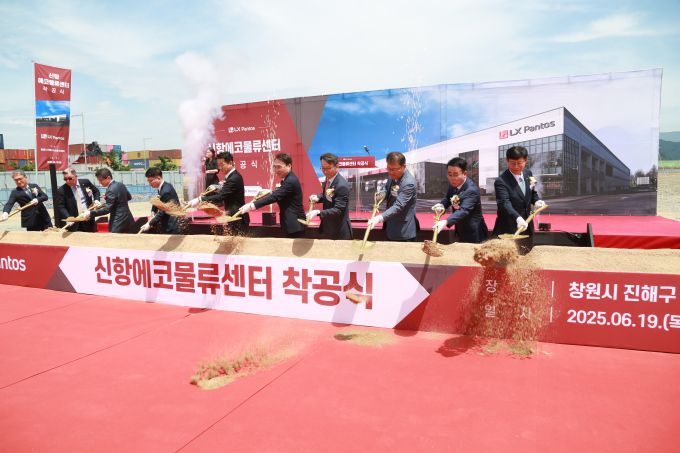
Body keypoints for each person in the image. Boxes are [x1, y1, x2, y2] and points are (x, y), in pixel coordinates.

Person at [238, 153, 306, 238]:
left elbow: (275, 197)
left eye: (279, 167)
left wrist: (251, 206)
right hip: (290, 223)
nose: (276, 170)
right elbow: (282, 193)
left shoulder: (290, 180)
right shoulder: (287, 179)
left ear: (289, 166)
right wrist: (270, 192)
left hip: (295, 225)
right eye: (275, 167)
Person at [187, 151, 249, 235]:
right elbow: (228, 191)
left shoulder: (233, 178)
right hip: (233, 216)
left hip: (238, 218)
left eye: (222, 165)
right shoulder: (231, 176)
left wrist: (200, 199)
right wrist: (219, 188)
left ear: (230, 163)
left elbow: (220, 197)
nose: (220, 167)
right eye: (218, 165)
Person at [432, 157, 488, 243]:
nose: (452, 178)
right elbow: (448, 198)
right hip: (461, 229)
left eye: (455, 174)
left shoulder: (471, 190)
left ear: (464, 173)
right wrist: (442, 205)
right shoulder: (453, 184)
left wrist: (446, 221)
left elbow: (464, 210)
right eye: (449, 174)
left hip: (474, 232)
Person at [492, 146, 545, 236]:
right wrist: (518, 218)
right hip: (509, 227)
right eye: (512, 163)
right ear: (507, 161)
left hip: (527, 225)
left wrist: (536, 200)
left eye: (519, 163)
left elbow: (532, 192)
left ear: (526, 160)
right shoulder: (501, 181)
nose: (516, 167)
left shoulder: (528, 173)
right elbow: (504, 203)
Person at [367, 151, 418, 241]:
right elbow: (387, 189)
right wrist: (382, 194)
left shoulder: (408, 183)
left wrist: (380, 218)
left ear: (403, 166)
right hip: (390, 226)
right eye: (389, 169)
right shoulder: (393, 176)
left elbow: (399, 206)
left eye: (394, 169)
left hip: (403, 231)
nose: (390, 172)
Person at [306, 153, 352, 240]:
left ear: (337, 166)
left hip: (338, 230)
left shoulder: (341, 185)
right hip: (327, 227)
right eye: (323, 168)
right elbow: (327, 195)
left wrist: (318, 212)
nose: (325, 171)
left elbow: (338, 210)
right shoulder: (328, 178)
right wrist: (318, 197)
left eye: (328, 168)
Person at [85, 168, 135, 233]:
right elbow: (129, 197)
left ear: (108, 178)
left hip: (117, 221)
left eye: (101, 180)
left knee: (114, 239)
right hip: (128, 219)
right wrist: (108, 198)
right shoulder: (121, 184)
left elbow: (106, 210)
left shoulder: (110, 190)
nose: (99, 182)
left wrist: (90, 213)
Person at [55, 167, 101, 232]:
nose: (67, 181)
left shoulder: (86, 182)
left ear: (76, 176)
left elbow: (96, 191)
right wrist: (68, 218)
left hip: (88, 218)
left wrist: (96, 200)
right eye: (65, 179)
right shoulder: (62, 190)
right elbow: (61, 206)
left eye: (70, 178)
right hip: (74, 221)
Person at [140, 167, 180, 234]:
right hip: (167, 220)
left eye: (151, 181)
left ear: (158, 178)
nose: (149, 183)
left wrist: (149, 223)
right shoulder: (163, 186)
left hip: (171, 224)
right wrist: (153, 211)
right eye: (148, 181)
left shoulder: (166, 191)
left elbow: (163, 211)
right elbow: (158, 200)